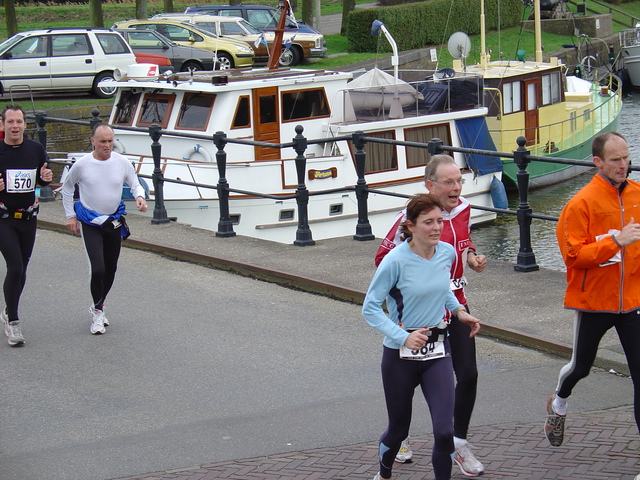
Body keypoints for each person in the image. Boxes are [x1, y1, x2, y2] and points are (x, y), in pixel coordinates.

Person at [375, 154, 487, 476]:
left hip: (454, 306)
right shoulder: (407, 220)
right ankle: (399, 434)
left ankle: (458, 444)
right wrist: (412, 286)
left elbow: (463, 242)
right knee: (404, 392)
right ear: (430, 185)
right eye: (449, 182)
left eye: (459, 181)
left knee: (469, 375)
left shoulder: (464, 209)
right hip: (415, 317)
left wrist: (473, 257)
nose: (456, 188)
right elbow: (384, 260)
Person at [546, 132, 640, 459]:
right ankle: (559, 402)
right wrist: (616, 242)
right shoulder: (580, 204)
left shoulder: (637, 195)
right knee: (581, 367)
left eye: (626, 158)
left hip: (632, 303)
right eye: (615, 160)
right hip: (594, 303)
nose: (623, 165)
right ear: (597, 162)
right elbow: (573, 257)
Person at [61, 123, 147, 335]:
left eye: (110, 141)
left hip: (113, 222)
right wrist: (70, 215)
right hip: (90, 222)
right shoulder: (82, 165)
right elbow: (67, 186)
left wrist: (139, 197)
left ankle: (98, 305)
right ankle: (98, 312)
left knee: (111, 268)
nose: (107, 146)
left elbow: (134, 182)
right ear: (93, 142)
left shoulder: (121, 162)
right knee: (98, 268)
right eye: (102, 142)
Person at [0, 105, 53, 346]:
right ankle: (13, 323)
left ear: (25, 124)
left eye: (19, 121)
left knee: (22, 268)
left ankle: (8, 307)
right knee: (15, 267)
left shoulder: (35, 149)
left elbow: (42, 178)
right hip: (3, 219)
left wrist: (46, 179)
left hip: (28, 218)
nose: (15, 126)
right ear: (3, 125)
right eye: (10, 122)